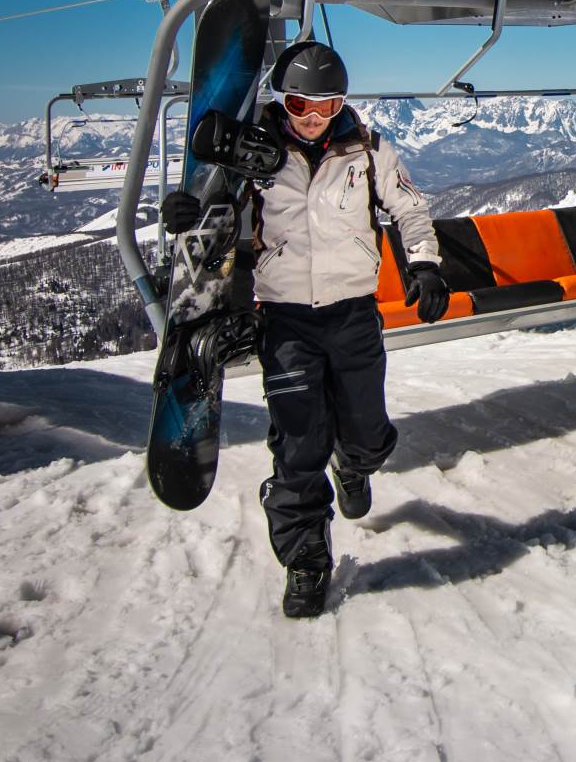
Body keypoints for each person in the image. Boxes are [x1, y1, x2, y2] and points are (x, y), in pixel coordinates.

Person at [162, 40, 449, 618]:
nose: (313, 119)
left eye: (326, 105)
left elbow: (410, 208)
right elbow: (212, 208)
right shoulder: (254, 156)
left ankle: (355, 464)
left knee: (368, 435)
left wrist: (423, 263)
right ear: (281, 101)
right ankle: (306, 561)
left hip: (352, 314)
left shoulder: (367, 150)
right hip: (287, 319)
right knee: (298, 447)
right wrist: (184, 212)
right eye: (299, 105)